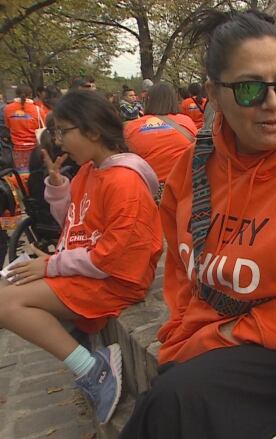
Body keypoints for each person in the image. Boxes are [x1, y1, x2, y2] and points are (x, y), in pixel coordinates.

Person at [118, 9, 276, 439]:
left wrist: (226, 332)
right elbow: (182, 269)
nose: (273, 103)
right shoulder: (194, 164)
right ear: (214, 94)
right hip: (212, 343)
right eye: (250, 88)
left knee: (174, 401)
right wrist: (187, 327)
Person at [0, 90, 163, 425]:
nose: (59, 141)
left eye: (63, 131)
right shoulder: (90, 171)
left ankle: (93, 370)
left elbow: (113, 257)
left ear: (92, 130)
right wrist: (59, 187)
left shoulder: (124, 182)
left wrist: (49, 264)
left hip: (114, 282)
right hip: (90, 271)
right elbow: (74, 225)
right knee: (9, 289)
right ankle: (88, 360)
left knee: (5, 303)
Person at [125, 82, 197, 188]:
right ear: (173, 100)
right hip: (183, 188)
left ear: (148, 101)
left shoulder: (132, 127)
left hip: (148, 190)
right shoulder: (187, 121)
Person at [3, 85, 46, 178]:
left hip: (17, 150)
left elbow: (8, 126)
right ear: (30, 95)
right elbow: (44, 127)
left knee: (21, 178)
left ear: (16, 94)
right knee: (36, 175)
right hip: (35, 150)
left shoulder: (7, 109)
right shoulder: (38, 110)